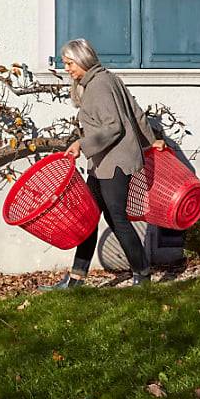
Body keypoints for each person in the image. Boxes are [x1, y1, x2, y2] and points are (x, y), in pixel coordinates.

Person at [41, 38, 165, 290]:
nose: (67, 69)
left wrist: (82, 144)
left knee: (117, 219)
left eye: (69, 63)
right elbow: (136, 113)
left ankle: (142, 274)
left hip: (113, 163)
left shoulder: (98, 85)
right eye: (65, 64)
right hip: (103, 164)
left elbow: (113, 127)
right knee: (89, 218)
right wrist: (152, 141)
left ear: (83, 59)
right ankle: (76, 278)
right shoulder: (109, 78)